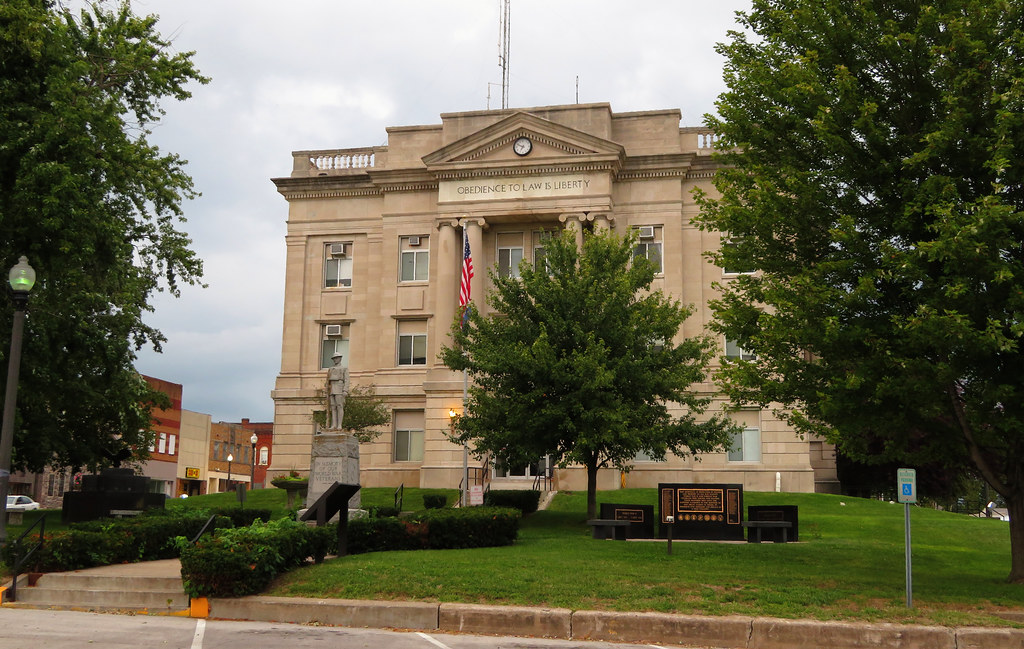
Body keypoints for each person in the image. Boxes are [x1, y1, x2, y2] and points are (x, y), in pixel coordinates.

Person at [327, 351, 349, 429]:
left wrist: (345, 390)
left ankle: (339, 424)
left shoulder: (344, 368)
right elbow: (327, 380)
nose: (335, 360)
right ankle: (334, 425)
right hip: (332, 387)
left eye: (336, 358)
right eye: (334, 358)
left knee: (339, 406)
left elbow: (347, 380)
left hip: (339, 387)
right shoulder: (330, 369)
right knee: (333, 406)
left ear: (340, 358)